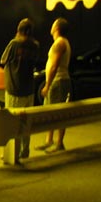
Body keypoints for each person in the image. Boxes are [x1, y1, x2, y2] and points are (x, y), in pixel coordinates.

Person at [0, 17, 42, 160]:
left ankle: (13, 153)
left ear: (19, 30)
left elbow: (3, 60)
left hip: (14, 88)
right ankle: (25, 150)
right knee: (26, 121)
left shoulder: (14, 44)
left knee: (12, 121)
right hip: (29, 89)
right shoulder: (35, 45)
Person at [36, 17, 72, 153]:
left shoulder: (60, 43)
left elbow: (54, 66)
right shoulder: (61, 42)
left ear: (56, 28)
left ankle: (58, 143)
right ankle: (49, 140)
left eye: (53, 24)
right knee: (50, 111)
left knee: (57, 112)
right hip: (58, 81)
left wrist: (47, 85)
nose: (51, 26)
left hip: (58, 81)